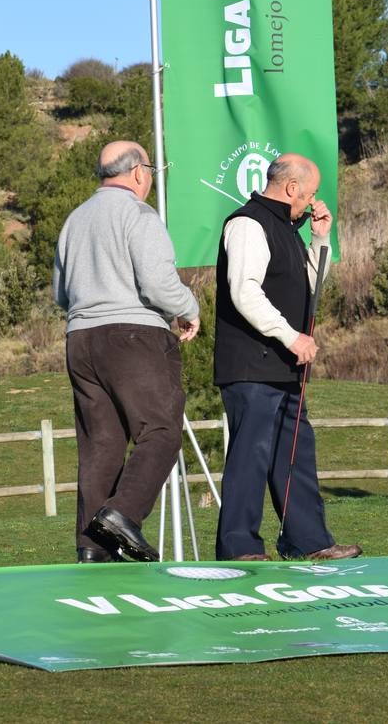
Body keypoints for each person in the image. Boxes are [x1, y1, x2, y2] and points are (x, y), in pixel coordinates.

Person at [53, 140, 201, 563]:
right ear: (139, 173)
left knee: (101, 443)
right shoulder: (139, 214)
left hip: (80, 339)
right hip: (134, 336)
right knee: (161, 430)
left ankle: (93, 548)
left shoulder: (74, 220)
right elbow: (157, 282)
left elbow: (61, 293)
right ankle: (123, 514)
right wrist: (188, 309)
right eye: (151, 170)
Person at [213, 153, 361, 562]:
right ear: (291, 188)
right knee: (250, 455)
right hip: (251, 364)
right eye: (310, 194)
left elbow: (309, 287)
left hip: (284, 364)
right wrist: (291, 336)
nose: (312, 202)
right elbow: (244, 291)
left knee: (295, 453)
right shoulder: (247, 223)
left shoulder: (288, 230)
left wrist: (320, 239)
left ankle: (309, 541)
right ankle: (239, 547)